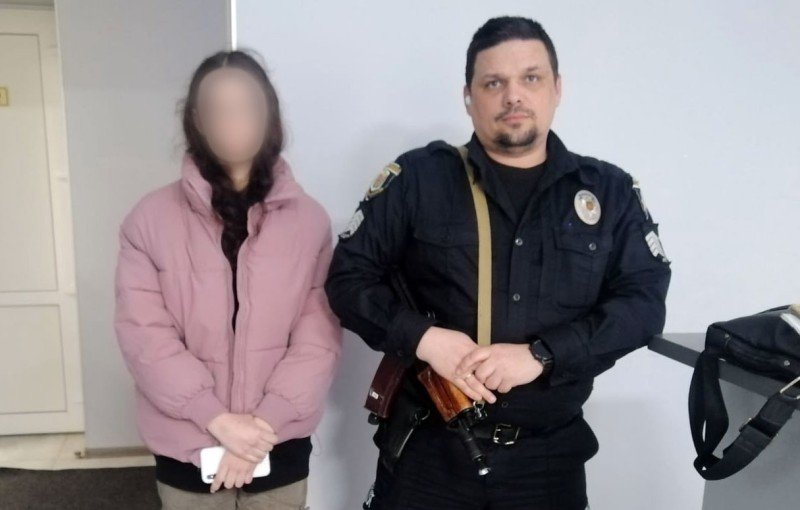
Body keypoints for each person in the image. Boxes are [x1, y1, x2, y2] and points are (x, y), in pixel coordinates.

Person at [325, 16, 671, 510]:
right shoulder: (418, 178)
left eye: (531, 78)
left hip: (548, 462)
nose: (513, 96)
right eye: (493, 83)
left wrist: (542, 355)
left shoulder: (608, 191)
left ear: (557, 88)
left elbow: (643, 304)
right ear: (468, 96)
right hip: (430, 455)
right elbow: (348, 278)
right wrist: (426, 339)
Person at [114, 50, 342, 509]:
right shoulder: (149, 220)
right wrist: (217, 420)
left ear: (268, 114)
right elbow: (145, 337)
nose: (232, 120)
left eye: (246, 106)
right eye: (217, 108)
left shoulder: (310, 222)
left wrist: (259, 429)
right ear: (197, 120)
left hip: (278, 442)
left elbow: (319, 337)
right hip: (188, 443)